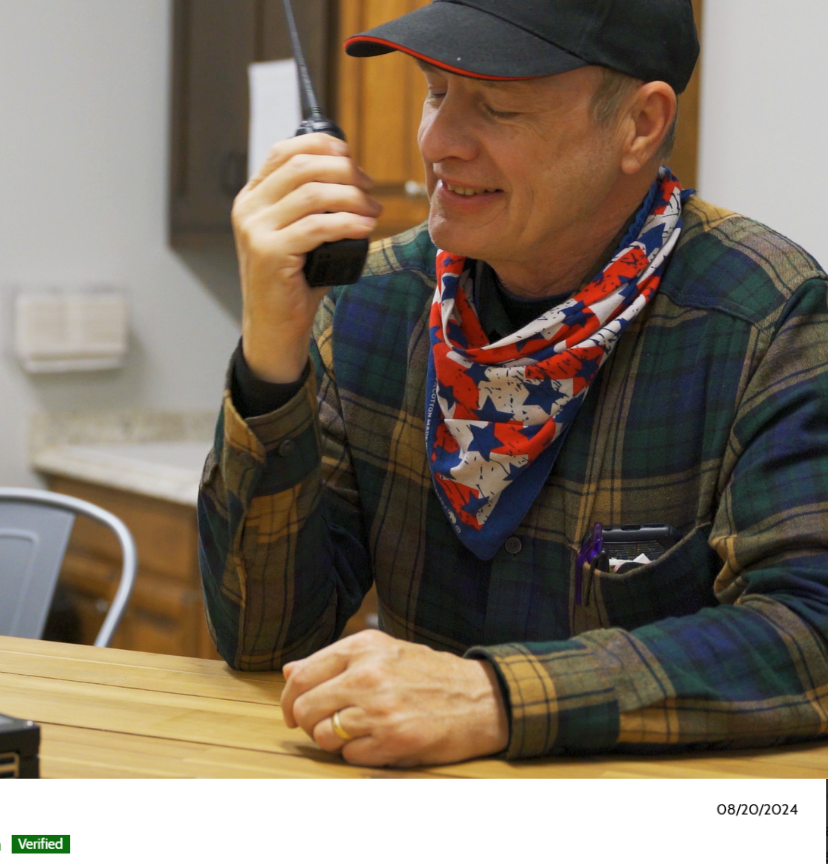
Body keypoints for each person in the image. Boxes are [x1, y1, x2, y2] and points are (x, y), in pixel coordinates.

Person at [198, 0, 828, 766]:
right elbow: (266, 639)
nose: (436, 143)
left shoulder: (766, 317)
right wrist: (272, 352)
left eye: (497, 107)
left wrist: (493, 698)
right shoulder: (372, 301)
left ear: (639, 125)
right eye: (436, 91)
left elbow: (808, 634)